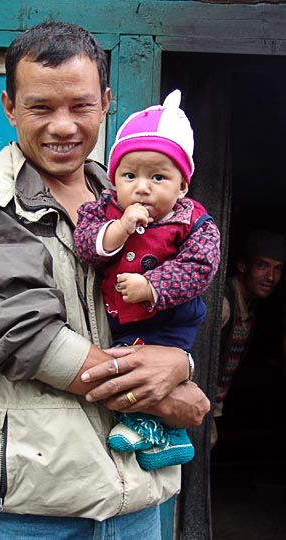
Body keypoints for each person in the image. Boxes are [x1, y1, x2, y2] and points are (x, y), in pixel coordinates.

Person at [0, 21, 210, 540]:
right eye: (40, 107)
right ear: (10, 107)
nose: (63, 126)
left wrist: (182, 360)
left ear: (105, 102)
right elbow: (28, 337)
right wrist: (165, 399)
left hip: (134, 495)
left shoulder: (127, 192)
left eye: (80, 106)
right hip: (30, 506)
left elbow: (171, 300)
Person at [74, 90, 220, 471]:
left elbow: (200, 266)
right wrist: (120, 228)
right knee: (130, 362)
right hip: (121, 322)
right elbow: (87, 246)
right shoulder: (102, 210)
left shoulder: (194, 221)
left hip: (171, 323)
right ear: (114, 179)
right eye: (129, 175)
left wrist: (152, 286)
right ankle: (161, 434)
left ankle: (155, 430)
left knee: (147, 369)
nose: (142, 187)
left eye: (158, 177)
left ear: (182, 186)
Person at [212, 228, 285, 445]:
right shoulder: (224, 304)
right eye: (262, 265)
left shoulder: (252, 305)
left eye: (278, 269)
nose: (271, 277)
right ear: (243, 266)